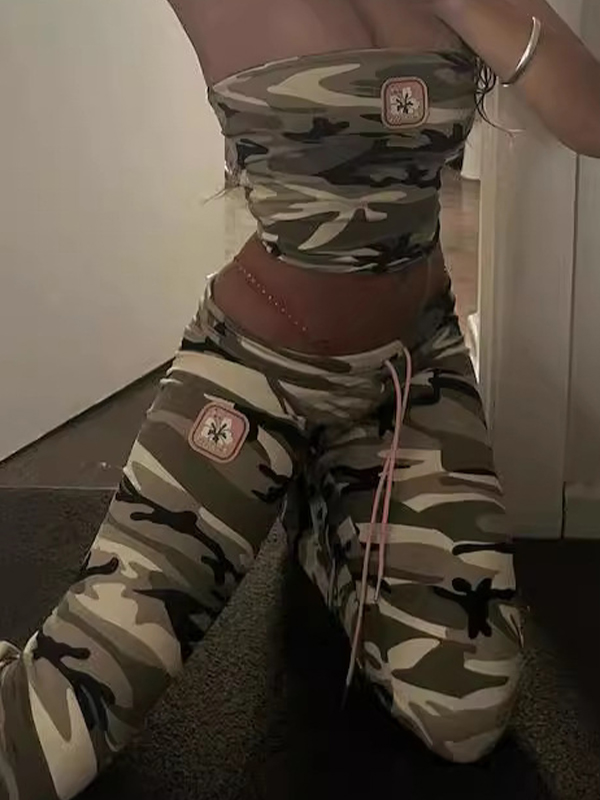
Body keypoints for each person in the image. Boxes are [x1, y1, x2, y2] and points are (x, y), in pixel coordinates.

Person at [1, 1, 599, 797]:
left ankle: (327, 517)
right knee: (38, 750)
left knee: (467, 716)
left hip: (411, 372)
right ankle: (316, 482)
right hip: (256, 378)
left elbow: (590, 116)